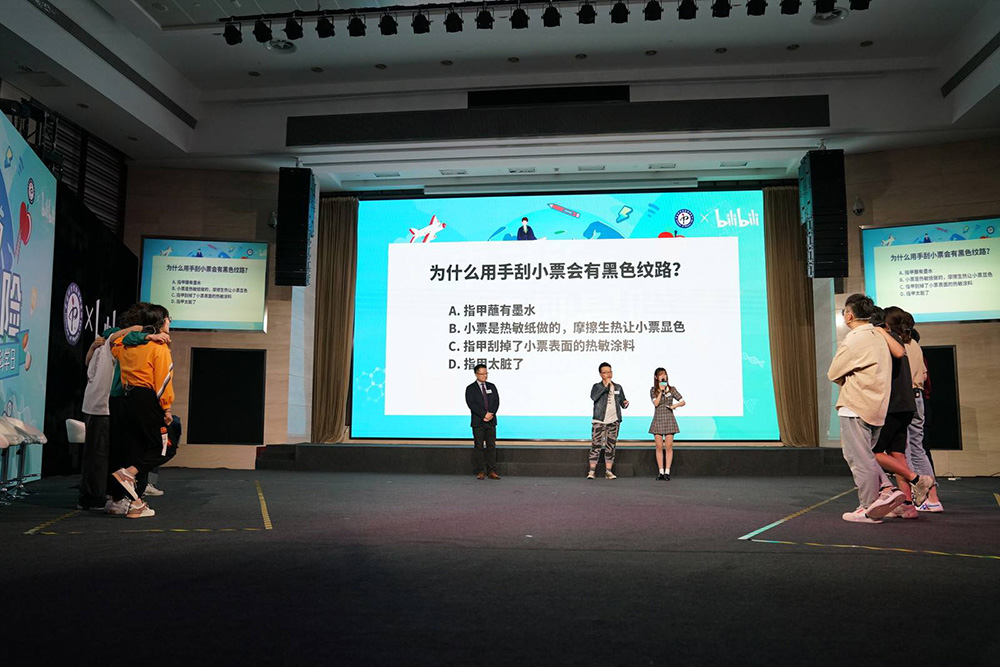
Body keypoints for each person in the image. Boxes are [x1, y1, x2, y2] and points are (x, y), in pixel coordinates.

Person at [827, 294, 905, 523]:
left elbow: (833, 372)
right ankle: (887, 489)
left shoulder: (854, 339)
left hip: (856, 404)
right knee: (864, 456)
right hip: (877, 405)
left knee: (858, 458)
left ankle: (868, 506)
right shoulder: (880, 336)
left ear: (849, 316)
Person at [109, 303, 176, 518]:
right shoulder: (159, 347)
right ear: (160, 322)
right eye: (168, 318)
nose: (170, 322)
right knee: (165, 447)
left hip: (126, 400)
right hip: (147, 400)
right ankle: (128, 474)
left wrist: (141, 336)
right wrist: (167, 408)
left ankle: (135, 504)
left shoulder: (127, 346)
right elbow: (163, 382)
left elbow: (114, 340)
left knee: (134, 451)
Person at [76, 324, 152, 511]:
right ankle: (93, 498)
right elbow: (116, 337)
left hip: (94, 404)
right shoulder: (110, 342)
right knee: (99, 456)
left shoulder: (100, 344)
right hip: (101, 406)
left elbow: (87, 363)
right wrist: (137, 329)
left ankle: (94, 496)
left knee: (96, 454)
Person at [872, 306, 933, 519]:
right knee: (898, 454)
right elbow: (923, 375)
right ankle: (907, 505)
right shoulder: (911, 343)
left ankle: (917, 479)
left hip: (895, 404)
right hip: (910, 402)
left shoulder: (890, 342)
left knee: (871, 453)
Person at [904, 325, 943, 512]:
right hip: (919, 398)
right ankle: (932, 499)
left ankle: (910, 500)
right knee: (918, 449)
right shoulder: (916, 346)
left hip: (903, 399)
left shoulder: (898, 346)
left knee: (904, 450)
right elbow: (924, 375)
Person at [589, 362, 628, 480]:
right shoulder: (597, 386)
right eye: (605, 372)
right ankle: (592, 471)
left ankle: (608, 471)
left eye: (610, 372)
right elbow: (594, 397)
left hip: (614, 420)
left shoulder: (618, 387)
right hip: (599, 420)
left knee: (611, 446)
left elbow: (622, 401)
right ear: (601, 374)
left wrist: (625, 403)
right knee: (596, 445)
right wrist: (605, 387)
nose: (608, 374)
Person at [465, 364, 500, 480]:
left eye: (486, 373)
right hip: (478, 422)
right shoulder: (470, 388)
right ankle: (480, 471)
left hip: (491, 421)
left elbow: (496, 402)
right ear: (476, 374)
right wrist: (484, 414)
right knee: (479, 447)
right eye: (482, 374)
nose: (485, 376)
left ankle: (492, 471)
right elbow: (471, 404)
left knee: (491, 447)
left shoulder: (492, 386)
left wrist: (490, 414)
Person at [649, 367, 685, 480]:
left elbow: (683, 401)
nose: (663, 376)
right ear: (656, 377)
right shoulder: (653, 390)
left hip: (669, 419)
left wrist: (675, 405)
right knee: (659, 447)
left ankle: (667, 472)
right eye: (660, 374)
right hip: (658, 419)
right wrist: (660, 391)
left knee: (669, 447)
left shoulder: (672, 389)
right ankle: (661, 472)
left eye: (664, 374)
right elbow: (656, 403)